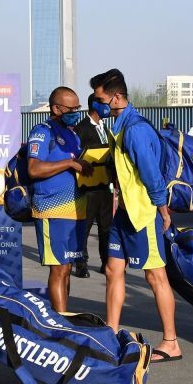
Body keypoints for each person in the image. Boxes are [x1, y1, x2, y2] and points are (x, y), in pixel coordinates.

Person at [90, 68, 182, 363]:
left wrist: (162, 210)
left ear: (116, 98)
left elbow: (151, 175)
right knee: (112, 270)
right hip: (124, 213)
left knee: (155, 276)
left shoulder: (136, 130)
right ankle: (110, 332)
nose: (97, 103)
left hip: (144, 214)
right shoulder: (118, 125)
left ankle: (171, 342)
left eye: (100, 98)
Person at [27, 86, 91, 312]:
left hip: (75, 210)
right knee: (59, 270)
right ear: (56, 108)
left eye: (78, 107)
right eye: (71, 108)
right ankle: (61, 323)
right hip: (51, 210)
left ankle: (66, 318)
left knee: (67, 268)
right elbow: (33, 169)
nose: (76, 112)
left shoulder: (72, 134)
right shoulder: (42, 132)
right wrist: (70, 164)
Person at [72, 93, 113, 278]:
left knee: (106, 227)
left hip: (104, 185)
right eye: (104, 103)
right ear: (95, 105)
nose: (108, 107)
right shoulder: (82, 128)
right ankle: (81, 264)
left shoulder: (105, 127)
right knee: (85, 227)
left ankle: (106, 263)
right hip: (87, 188)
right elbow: (75, 155)